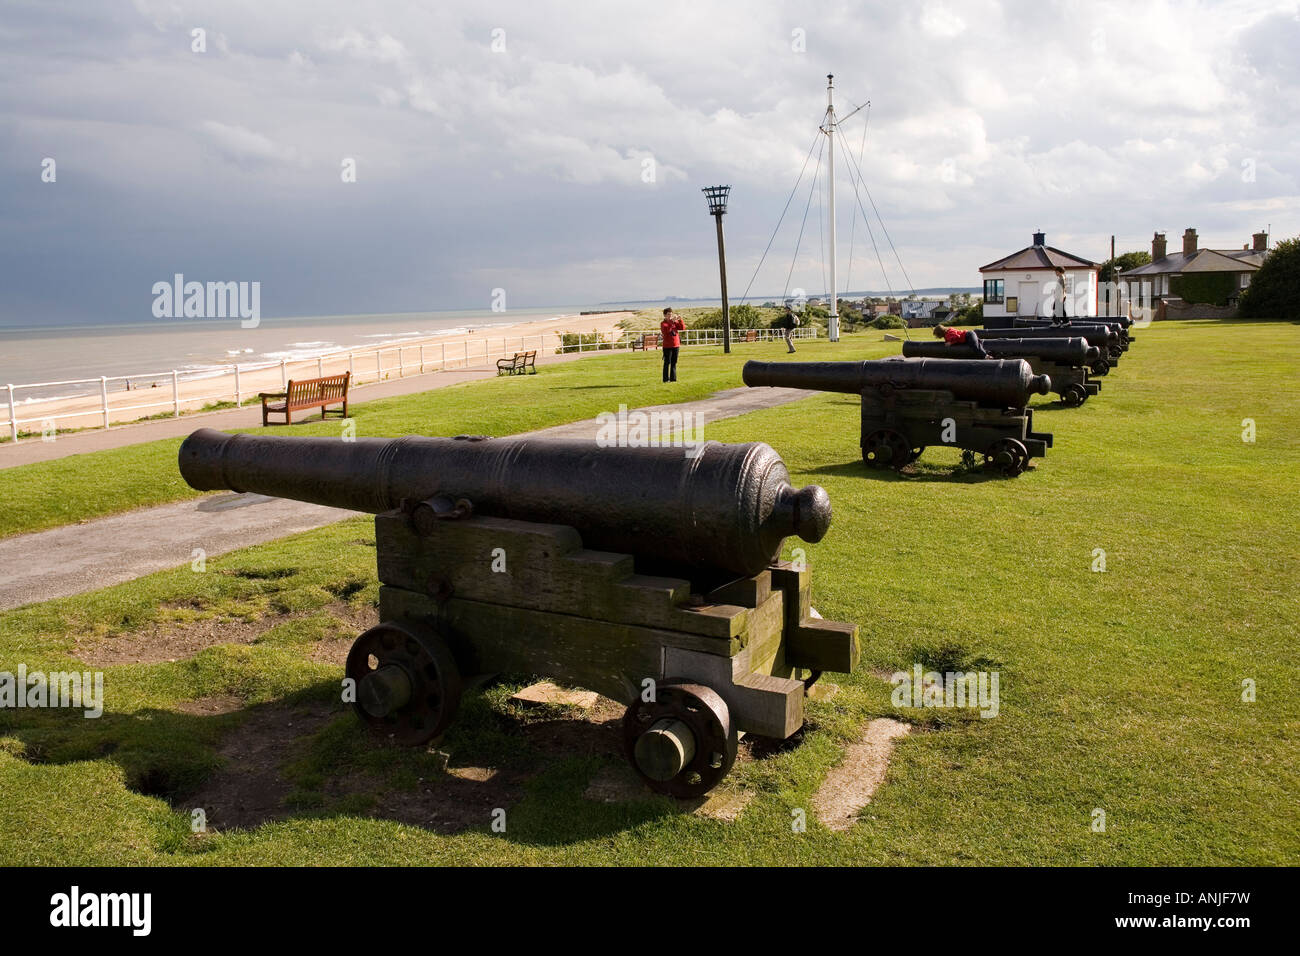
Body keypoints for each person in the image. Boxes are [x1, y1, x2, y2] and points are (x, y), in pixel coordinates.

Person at [660, 307, 685, 382]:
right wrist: (671, 322)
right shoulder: (663, 323)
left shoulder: (674, 322)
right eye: (668, 314)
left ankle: (673, 379)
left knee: (674, 362)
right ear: (664, 315)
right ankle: (665, 379)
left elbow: (682, 328)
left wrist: (680, 320)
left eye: (671, 314)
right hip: (667, 346)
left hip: (676, 345)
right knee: (667, 363)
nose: (670, 316)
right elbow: (666, 331)